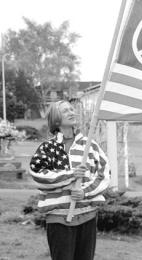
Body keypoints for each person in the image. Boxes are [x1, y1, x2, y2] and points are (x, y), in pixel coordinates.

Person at [29, 100, 110, 260]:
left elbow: (104, 174)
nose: (72, 112)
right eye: (66, 111)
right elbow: (39, 176)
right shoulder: (47, 148)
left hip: (87, 216)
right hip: (59, 219)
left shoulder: (90, 146)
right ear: (56, 119)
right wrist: (71, 174)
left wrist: (85, 193)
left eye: (72, 109)